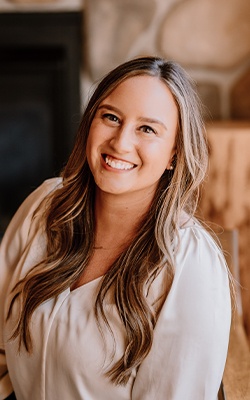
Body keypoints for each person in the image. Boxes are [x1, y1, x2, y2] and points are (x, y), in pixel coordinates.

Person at [0, 56, 231, 400]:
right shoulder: (44, 207)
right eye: (111, 117)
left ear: (174, 154)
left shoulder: (190, 265)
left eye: (147, 129)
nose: (120, 142)